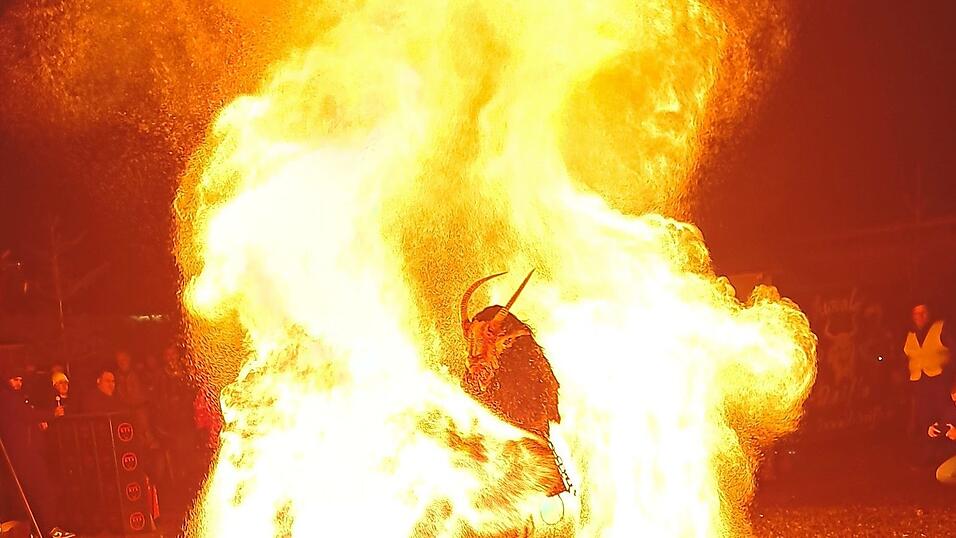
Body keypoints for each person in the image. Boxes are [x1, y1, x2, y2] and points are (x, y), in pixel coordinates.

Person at [0, 367, 75, 538]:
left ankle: (37, 530)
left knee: (35, 493)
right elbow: (24, 415)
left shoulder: (14, 397)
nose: (18, 383)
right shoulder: (6, 397)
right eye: (14, 380)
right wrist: (51, 414)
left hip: (25, 453)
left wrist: (38, 422)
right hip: (22, 455)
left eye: (20, 379)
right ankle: (48, 529)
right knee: (42, 491)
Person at [926, 377, 956, 484]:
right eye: (955, 401)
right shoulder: (951, 411)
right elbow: (943, 423)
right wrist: (933, 429)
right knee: (943, 474)